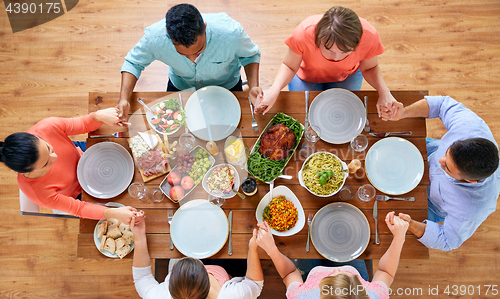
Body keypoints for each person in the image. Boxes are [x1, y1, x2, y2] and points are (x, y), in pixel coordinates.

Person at [382, 95, 500, 251]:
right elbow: (443, 104)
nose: (440, 162)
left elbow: (447, 241)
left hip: (429, 203)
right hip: (425, 152)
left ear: (469, 181)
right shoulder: (470, 127)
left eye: (448, 168)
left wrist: (411, 224)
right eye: (447, 153)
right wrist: (404, 112)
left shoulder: (472, 209)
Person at [117, 3, 262, 122]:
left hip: (226, 87)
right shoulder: (156, 38)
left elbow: (250, 55)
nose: (193, 59)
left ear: (204, 28)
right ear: (168, 34)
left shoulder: (231, 33)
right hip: (181, 88)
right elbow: (133, 63)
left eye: (199, 51)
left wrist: (254, 85)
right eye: (183, 55)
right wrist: (124, 99)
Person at [0, 108, 140, 223]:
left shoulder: (47, 127)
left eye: (49, 149)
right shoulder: (38, 193)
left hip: (83, 153)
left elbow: (83, 124)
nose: (55, 157)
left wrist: (99, 116)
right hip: (81, 192)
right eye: (46, 163)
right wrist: (113, 213)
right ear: (29, 171)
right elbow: (79, 209)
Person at [254, 6, 397, 117]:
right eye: (329, 50)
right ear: (318, 38)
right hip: (306, 75)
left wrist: (384, 91)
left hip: (347, 74)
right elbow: (290, 66)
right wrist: (274, 89)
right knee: (308, 112)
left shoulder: (370, 36)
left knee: (341, 111)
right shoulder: (303, 33)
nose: (336, 58)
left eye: (345, 52)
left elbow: (370, 68)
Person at [255, 212, 408, 299]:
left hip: (310, 276)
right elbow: (385, 272)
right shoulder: (375, 295)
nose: (336, 270)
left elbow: (289, 273)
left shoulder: (301, 296)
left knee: (300, 243)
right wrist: (399, 237)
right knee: (350, 236)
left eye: (333, 276)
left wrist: (271, 248)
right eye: (350, 278)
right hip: (349, 265)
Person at [131, 215, 264, 299]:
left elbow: (142, 278)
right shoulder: (232, 295)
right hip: (228, 273)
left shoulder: (158, 296)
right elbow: (255, 284)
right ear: (209, 283)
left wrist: (139, 237)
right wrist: (252, 248)